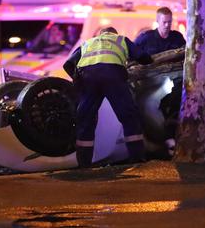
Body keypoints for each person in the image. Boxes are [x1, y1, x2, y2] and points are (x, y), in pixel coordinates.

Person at [63, 26, 153, 167]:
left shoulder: (88, 43)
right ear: (114, 34)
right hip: (113, 76)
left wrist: (77, 81)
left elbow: (67, 64)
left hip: (88, 78)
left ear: (100, 34)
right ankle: (137, 160)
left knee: (85, 120)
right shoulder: (120, 40)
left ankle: (83, 165)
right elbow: (144, 57)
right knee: (129, 116)